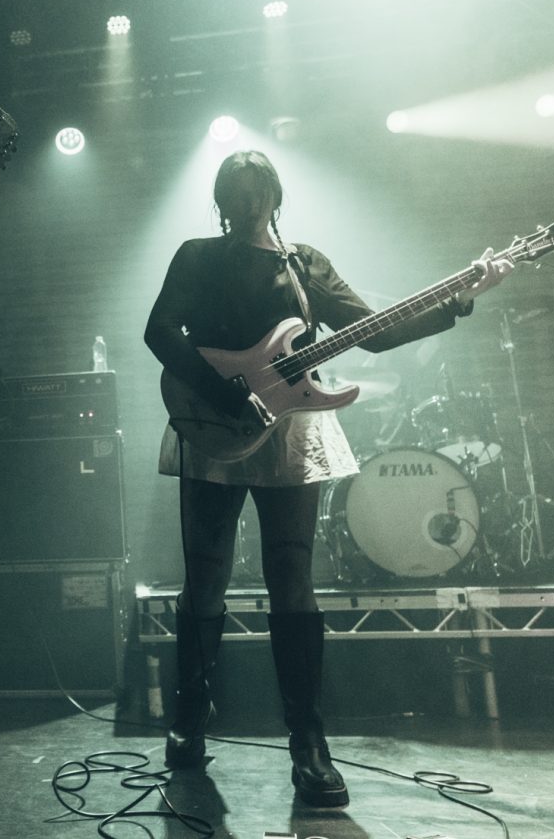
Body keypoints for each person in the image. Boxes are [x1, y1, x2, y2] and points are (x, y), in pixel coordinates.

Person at [143, 150, 510, 807]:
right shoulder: (195, 255)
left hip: (291, 432)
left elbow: (374, 331)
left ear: (275, 198)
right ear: (221, 200)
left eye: (258, 190)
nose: (249, 201)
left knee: (293, 583)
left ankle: (307, 744)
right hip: (211, 422)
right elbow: (158, 332)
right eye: (237, 190)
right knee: (204, 580)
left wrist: (456, 300)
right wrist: (226, 394)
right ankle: (187, 721)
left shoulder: (303, 265)